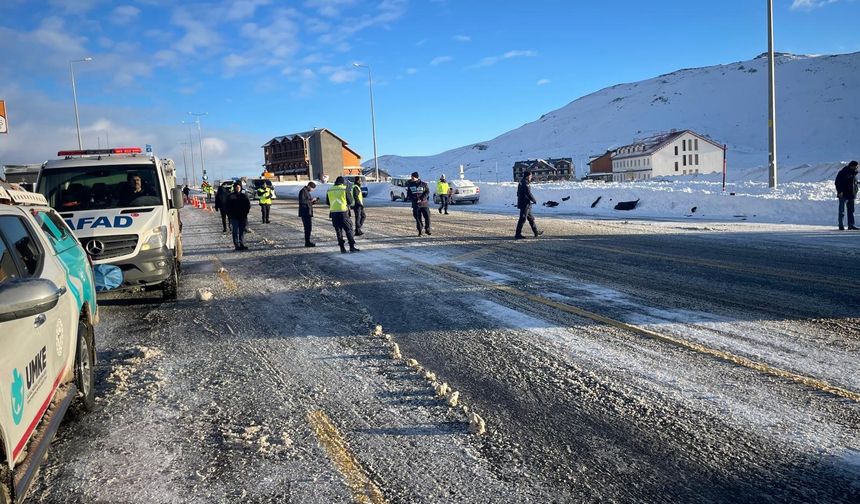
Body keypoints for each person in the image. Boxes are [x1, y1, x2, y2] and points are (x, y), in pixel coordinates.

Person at [326, 176, 359, 253]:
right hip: (343, 212)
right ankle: (351, 246)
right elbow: (350, 201)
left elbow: (328, 202)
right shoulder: (344, 188)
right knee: (349, 229)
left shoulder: (329, 189)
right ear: (342, 182)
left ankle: (342, 248)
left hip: (333, 213)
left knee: (338, 231)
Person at [515, 171, 543, 239]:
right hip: (525, 204)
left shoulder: (521, 182)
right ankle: (517, 234)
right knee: (522, 219)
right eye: (530, 176)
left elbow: (518, 193)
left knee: (531, 218)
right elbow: (528, 193)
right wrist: (534, 200)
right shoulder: (525, 183)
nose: (531, 177)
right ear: (527, 176)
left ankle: (536, 232)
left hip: (525, 203)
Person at [226, 181, 251, 250]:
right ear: (234, 188)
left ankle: (241, 244)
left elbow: (248, 205)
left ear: (241, 188)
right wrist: (230, 214)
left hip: (242, 216)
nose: (238, 188)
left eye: (239, 187)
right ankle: (236, 245)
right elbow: (227, 207)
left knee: (241, 231)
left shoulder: (244, 196)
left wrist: (246, 213)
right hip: (234, 217)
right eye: (236, 187)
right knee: (235, 231)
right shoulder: (230, 196)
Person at [836, 160, 859, 231]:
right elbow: (837, 182)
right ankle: (841, 225)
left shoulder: (854, 174)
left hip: (851, 195)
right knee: (842, 211)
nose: (857, 168)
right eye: (856, 166)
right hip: (843, 194)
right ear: (852, 166)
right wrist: (840, 191)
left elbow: (854, 184)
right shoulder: (843, 172)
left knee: (851, 211)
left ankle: (851, 225)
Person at [406, 171, 431, 236]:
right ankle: (420, 231)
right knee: (418, 218)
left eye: (412, 177)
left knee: (427, 217)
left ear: (416, 177)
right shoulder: (410, 185)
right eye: (411, 177)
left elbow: (427, 192)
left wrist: (421, 199)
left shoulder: (424, 184)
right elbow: (409, 194)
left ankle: (427, 229)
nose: (411, 178)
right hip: (415, 205)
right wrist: (413, 199)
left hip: (424, 204)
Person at [298, 181, 319, 247]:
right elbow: (302, 201)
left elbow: (308, 201)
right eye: (312, 188)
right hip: (305, 212)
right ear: (309, 186)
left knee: (309, 228)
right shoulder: (303, 191)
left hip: (308, 212)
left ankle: (308, 241)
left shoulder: (307, 192)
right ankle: (307, 242)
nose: (312, 190)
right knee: (307, 228)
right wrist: (311, 200)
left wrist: (314, 201)